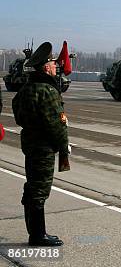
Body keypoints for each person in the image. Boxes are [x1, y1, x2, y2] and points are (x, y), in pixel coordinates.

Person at [12, 42, 70, 247]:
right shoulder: (47, 90)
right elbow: (55, 124)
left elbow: (19, 116)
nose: (56, 66)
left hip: (30, 144)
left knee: (32, 187)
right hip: (44, 148)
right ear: (46, 67)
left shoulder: (26, 89)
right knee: (39, 191)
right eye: (53, 63)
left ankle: (35, 232)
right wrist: (64, 146)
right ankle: (37, 236)